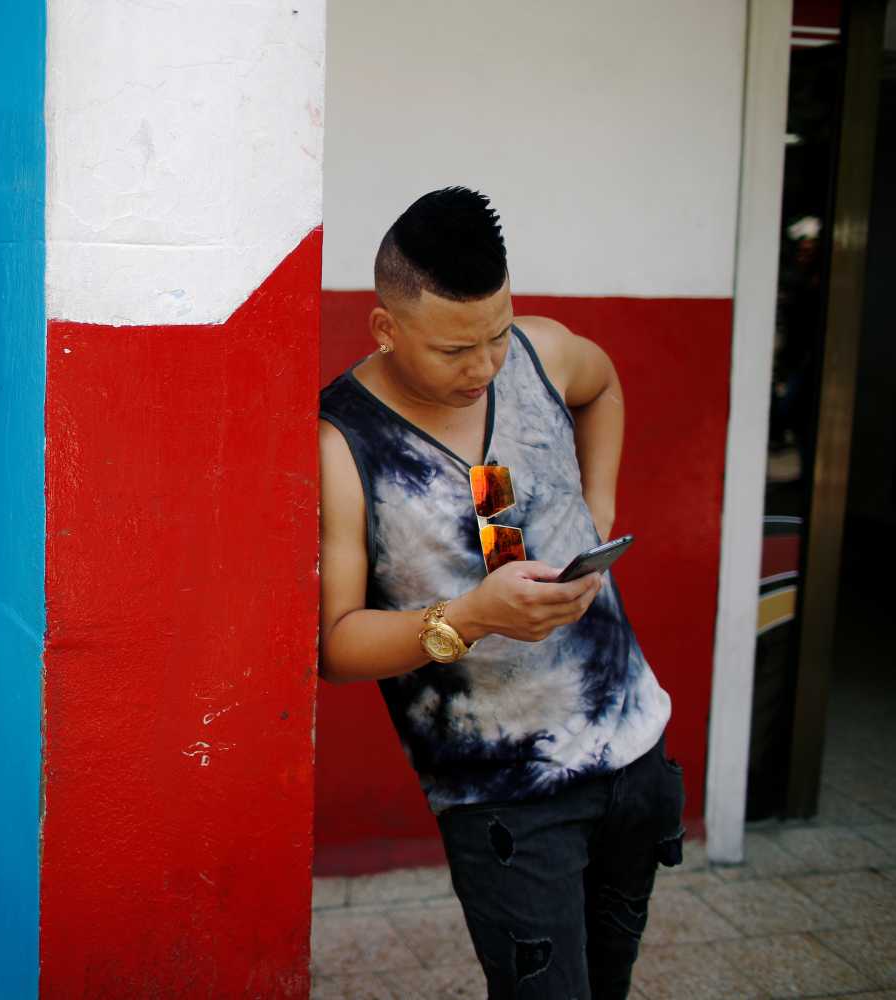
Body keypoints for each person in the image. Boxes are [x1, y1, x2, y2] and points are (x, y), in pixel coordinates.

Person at [318, 187, 682, 999]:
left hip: (633, 747)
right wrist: (472, 619)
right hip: (506, 796)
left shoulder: (539, 351)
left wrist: (601, 502)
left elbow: (604, 384)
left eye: (494, 335)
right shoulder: (342, 443)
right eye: (454, 351)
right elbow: (336, 647)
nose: (484, 367)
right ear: (384, 328)